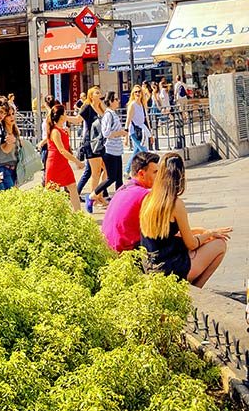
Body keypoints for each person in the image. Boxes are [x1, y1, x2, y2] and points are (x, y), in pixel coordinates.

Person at [138, 154, 229, 286]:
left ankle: (191, 290)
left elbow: (167, 233)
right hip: (169, 268)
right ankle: (196, 290)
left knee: (203, 241)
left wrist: (204, 231)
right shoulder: (175, 204)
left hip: (150, 266)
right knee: (220, 244)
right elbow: (191, 244)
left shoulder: (148, 199)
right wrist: (209, 235)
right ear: (181, 177)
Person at [102, 151, 160, 252]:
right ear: (141, 174)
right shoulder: (144, 195)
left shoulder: (122, 189)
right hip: (126, 253)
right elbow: (159, 230)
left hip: (108, 248)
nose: (159, 177)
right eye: (155, 172)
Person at [42, 103, 85, 210]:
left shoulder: (61, 129)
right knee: (50, 192)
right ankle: (45, 213)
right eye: (65, 113)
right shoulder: (55, 131)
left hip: (63, 163)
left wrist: (68, 134)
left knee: (73, 187)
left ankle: (78, 214)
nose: (67, 115)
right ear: (61, 116)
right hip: (55, 163)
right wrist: (77, 161)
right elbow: (61, 150)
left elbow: (65, 146)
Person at [93, 90, 125, 205]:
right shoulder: (108, 114)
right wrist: (120, 133)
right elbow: (106, 133)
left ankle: (119, 202)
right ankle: (93, 194)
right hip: (109, 149)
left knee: (119, 178)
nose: (118, 101)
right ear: (110, 101)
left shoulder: (113, 113)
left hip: (117, 149)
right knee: (111, 177)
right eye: (116, 99)